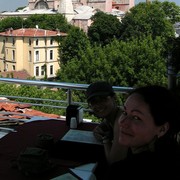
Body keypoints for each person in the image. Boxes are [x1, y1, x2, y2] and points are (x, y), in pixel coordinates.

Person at [105, 85, 180, 179]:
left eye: (136, 117)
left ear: (162, 129)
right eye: (125, 112)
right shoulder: (172, 152)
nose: (123, 122)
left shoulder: (122, 172)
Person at [86, 81, 128, 164]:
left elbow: (114, 162)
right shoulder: (115, 115)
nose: (98, 105)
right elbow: (105, 123)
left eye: (103, 99)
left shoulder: (121, 122)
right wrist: (100, 128)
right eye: (94, 102)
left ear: (114, 98)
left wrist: (105, 140)